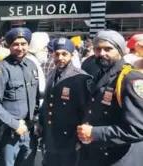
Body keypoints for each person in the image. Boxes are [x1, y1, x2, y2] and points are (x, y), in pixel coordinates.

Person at [77, 30, 143, 166]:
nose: (102, 53)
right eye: (98, 49)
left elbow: (138, 129)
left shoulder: (129, 78)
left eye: (108, 49)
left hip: (119, 158)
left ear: (120, 51)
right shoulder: (100, 73)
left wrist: (95, 133)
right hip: (96, 155)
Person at [0, 27, 39, 166]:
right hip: (9, 133)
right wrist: (14, 124)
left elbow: (35, 99)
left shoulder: (32, 65)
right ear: (9, 46)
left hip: (30, 132)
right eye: (15, 44)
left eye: (23, 44)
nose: (20, 48)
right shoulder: (1, 68)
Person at [40, 38, 91, 166]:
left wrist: (79, 140)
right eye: (57, 54)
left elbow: (85, 110)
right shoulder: (52, 73)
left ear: (72, 55)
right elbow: (47, 103)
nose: (60, 58)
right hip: (51, 136)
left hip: (69, 138)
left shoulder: (80, 78)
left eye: (64, 54)